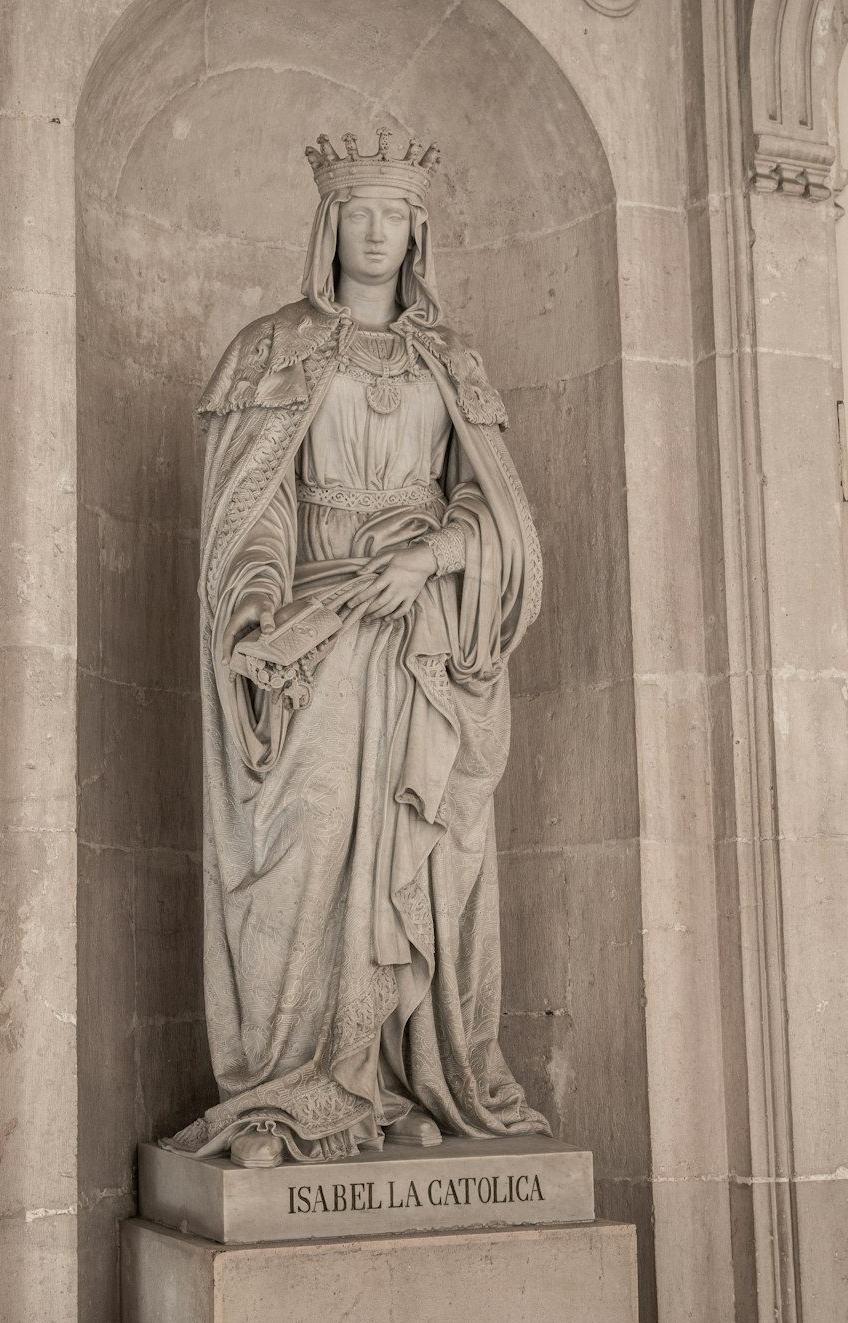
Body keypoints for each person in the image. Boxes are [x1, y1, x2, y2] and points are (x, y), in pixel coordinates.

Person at [165, 130, 549, 1167]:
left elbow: (500, 514)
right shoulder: (272, 348)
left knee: (422, 867)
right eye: (360, 212)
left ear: (418, 229)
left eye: (395, 215)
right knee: (301, 848)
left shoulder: (451, 361)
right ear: (328, 222)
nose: (377, 232)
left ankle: (401, 1084)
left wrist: (431, 558)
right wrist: (257, 620)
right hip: (317, 633)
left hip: (424, 638)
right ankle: (287, 1093)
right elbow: (247, 515)